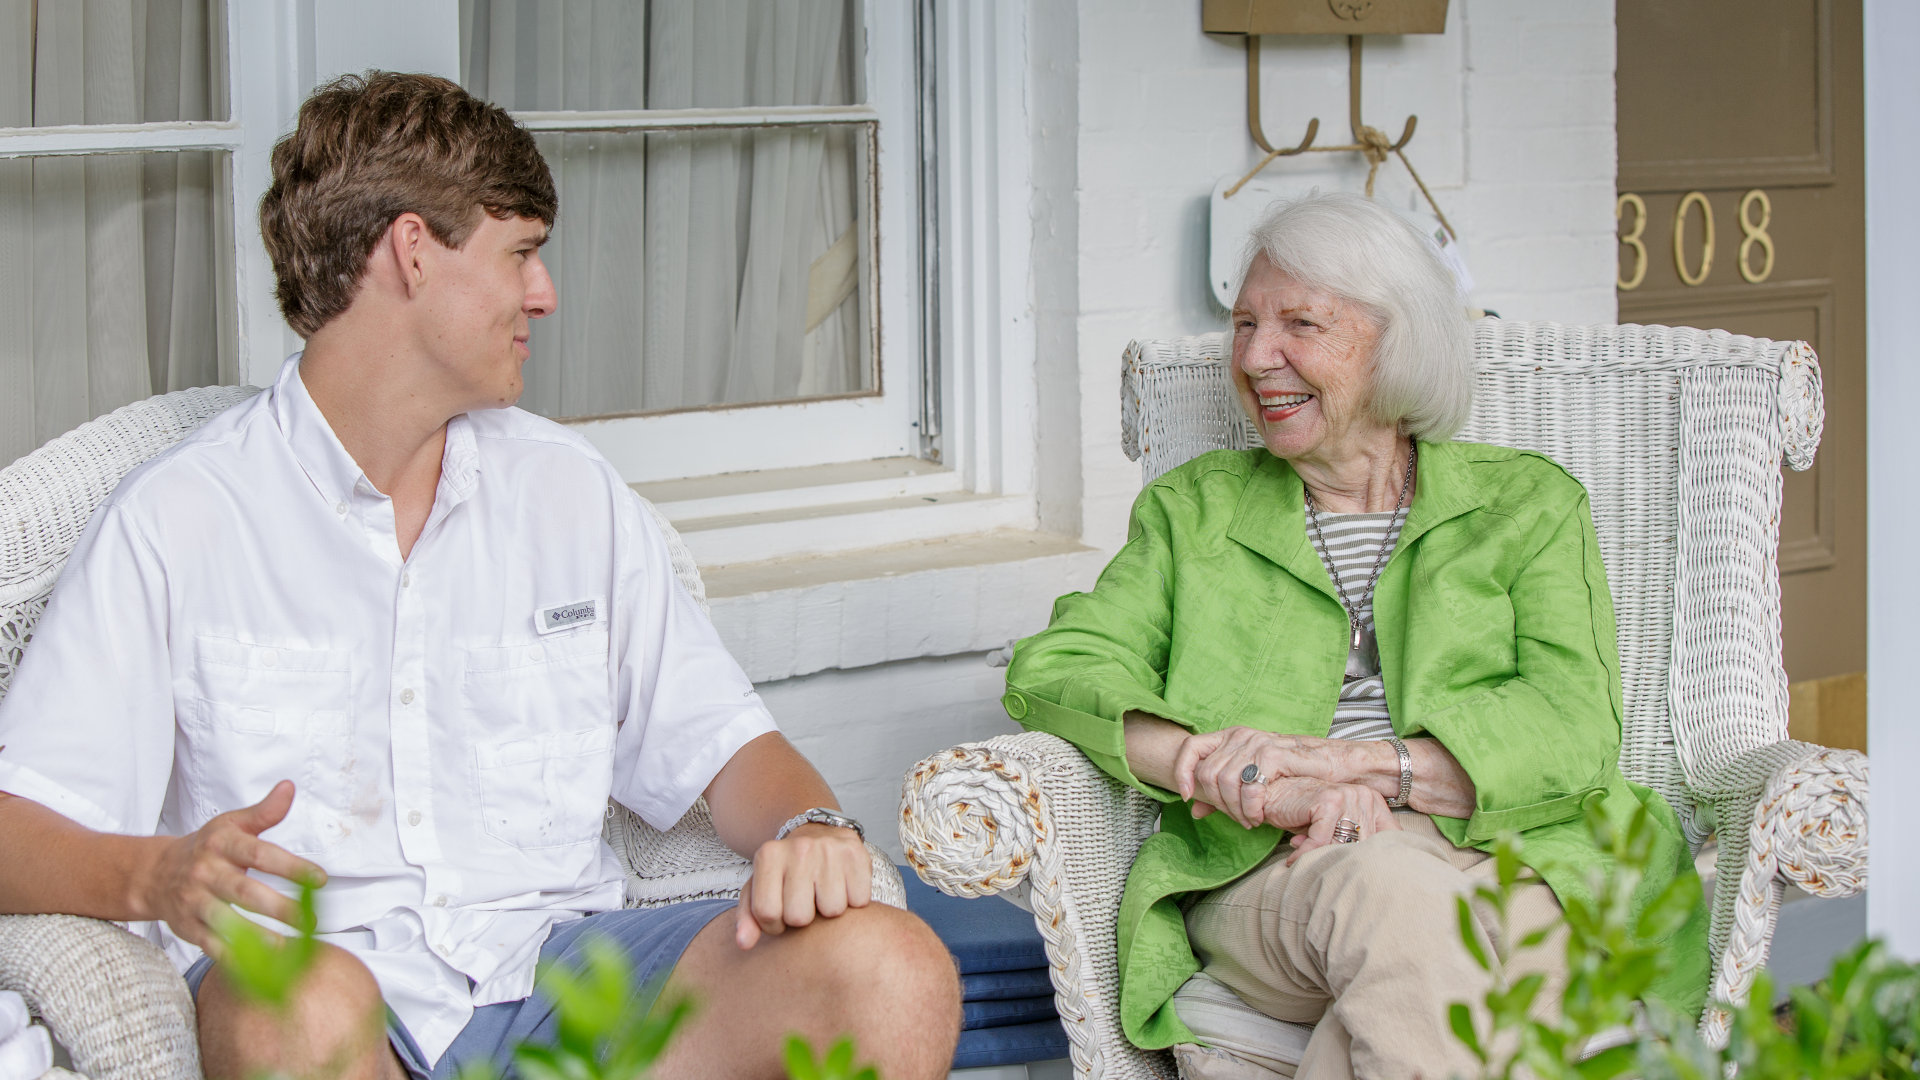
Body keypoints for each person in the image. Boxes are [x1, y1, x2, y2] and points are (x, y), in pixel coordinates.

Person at [0, 72, 959, 1080]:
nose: (543, 294)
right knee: (303, 998)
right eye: (522, 254)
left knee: (893, 970)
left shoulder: (567, 493)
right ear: (415, 252)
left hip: (558, 983)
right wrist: (154, 875)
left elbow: (730, 751)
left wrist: (812, 826)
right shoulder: (178, 520)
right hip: (325, 1010)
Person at [1003, 192, 1707, 1079]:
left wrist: (1349, 765)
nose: (1259, 358)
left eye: (1302, 323)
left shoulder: (1525, 505)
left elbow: (1571, 727)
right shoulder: (1198, 512)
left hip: (1519, 858)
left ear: (1397, 343)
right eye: (1247, 324)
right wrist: (1230, 771)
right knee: (1392, 897)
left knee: (1426, 976)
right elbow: (1058, 669)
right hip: (1277, 866)